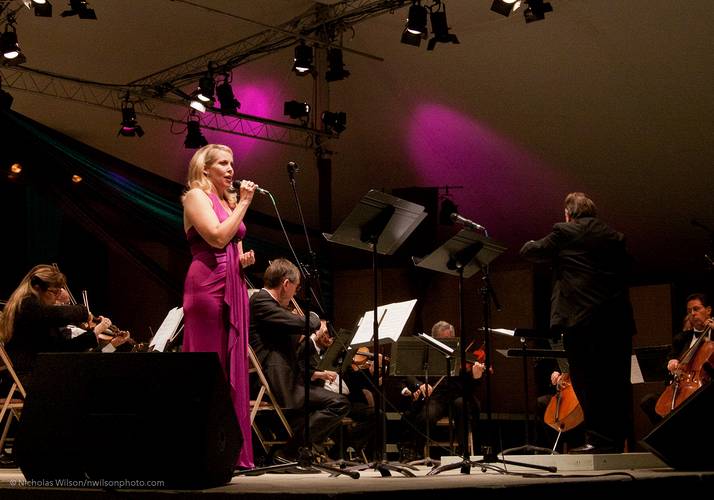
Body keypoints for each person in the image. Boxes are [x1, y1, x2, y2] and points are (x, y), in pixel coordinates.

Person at [520, 192, 636, 454]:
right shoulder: (614, 237)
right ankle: (614, 442)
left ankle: (597, 440)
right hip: (618, 323)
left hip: (582, 321)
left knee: (587, 381)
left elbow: (530, 250)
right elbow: (627, 269)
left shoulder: (565, 232)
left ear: (568, 214)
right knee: (615, 383)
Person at [181, 143, 258, 469]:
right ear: (205, 169)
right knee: (210, 367)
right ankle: (200, 447)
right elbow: (215, 237)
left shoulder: (228, 202)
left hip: (232, 284)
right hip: (207, 288)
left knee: (231, 368)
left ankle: (229, 450)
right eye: (223, 164)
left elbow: (230, 241)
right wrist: (243, 204)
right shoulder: (196, 197)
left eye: (232, 163)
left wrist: (242, 259)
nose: (231, 170)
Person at [249, 258, 349, 460]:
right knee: (339, 403)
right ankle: (290, 450)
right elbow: (306, 323)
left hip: (286, 378)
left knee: (330, 404)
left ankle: (296, 448)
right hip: (273, 381)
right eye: (296, 287)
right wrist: (312, 318)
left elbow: (294, 339)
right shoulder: (261, 302)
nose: (296, 292)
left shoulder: (272, 307)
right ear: (286, 284)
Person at [0, 265, 126, 383]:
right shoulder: (30, 308)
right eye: (55, 294)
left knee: (94, 372)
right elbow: (78, 357)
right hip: (33, 377)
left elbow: (85, 357)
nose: (57, 302)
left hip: (54, 370)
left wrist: (112, 344)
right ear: (38, 289)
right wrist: (86, 316)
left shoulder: (47, 320)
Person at [400, 321, 485, 460]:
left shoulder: (461, 355)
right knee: (428, 414)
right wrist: (420, 384)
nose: (448, 345)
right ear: (434, 340)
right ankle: (416, 451)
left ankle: (465, 453)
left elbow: (469, 387)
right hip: (437, 397)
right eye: (444, 341)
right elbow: (409, 373)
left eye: (451, 340)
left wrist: (476, 377)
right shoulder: (426, 353)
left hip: (457, 395)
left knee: (462, 405)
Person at [641, 293, 713, 424]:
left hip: (704, 388)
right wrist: (671, 363)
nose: (692, 314)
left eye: (696, 309)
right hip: (680, 386)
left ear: (708, 310)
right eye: (689, 311)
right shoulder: (681, 338)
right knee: (648, 401)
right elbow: (667, 362)